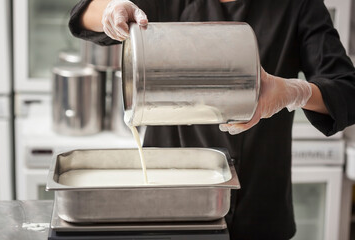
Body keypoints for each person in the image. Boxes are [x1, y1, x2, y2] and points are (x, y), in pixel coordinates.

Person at [69, 0, 355, 239]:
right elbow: (82, 15)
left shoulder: (297, 4)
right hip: (170, 199)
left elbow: (347, 91)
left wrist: (294, 92)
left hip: (260, 202)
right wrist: (111, 10)